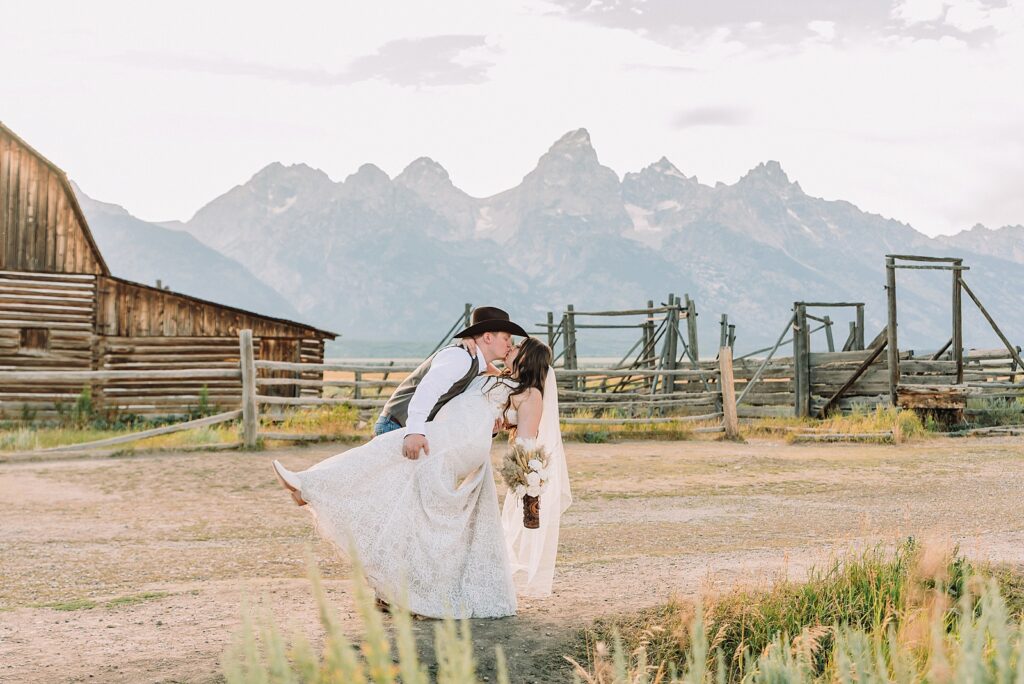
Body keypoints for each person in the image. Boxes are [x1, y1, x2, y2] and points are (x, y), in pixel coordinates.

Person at [271, 333, 570, 618]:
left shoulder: (531, 394)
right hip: (450, 433)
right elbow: (475, 372)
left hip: (460, 441)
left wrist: (529, 482)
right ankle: (310, 490)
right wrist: (469, 346)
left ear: (528, 357)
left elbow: (526, 442)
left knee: (389, 448)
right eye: (510, 342)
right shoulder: (498, 376)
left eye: (517, 346)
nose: (511, 347)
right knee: (403, 490)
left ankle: (309, 485)